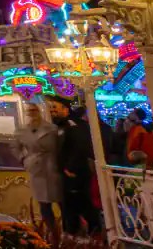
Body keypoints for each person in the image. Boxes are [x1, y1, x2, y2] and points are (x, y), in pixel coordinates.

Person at [50, 97, 97, 236]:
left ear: (65, 109)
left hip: (75, 174)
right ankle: (73, 233)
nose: (52, 110)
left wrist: (70, 167)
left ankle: (94, 232)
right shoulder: (61, 126)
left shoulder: (73, 125)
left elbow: (80, 147)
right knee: (69, 205)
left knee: (81, 204)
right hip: (65, 174)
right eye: (51, 107)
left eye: (55, 107)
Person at [15, 102, 63, 233]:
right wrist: (24, 160)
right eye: (30, 111)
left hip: (52, 167)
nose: (32, 113)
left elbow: (61, 147)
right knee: (44, 204)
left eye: (34, 110)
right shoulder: (22, 131)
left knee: (61, 201)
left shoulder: (52, 128)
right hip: (36, 169)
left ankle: (68, 231)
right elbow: (15, 147)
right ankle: (53, 232)